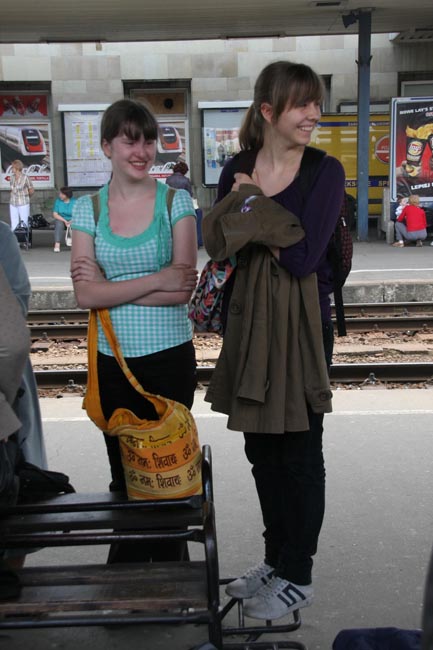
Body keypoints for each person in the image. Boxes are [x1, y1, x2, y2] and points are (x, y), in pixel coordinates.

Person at [205, 60, 345, 621]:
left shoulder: (324, 171)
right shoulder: (237, 168)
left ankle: (298, 575)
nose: (314, 113)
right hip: (248, 322)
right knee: (260, 450)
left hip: (304, 328)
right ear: (268, 111)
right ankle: (274, 560)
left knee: (300, 453)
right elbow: (222, 244)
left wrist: (253, 206)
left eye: (316, 102)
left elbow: (304, 256)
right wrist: (261, 219)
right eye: (302, 104)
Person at [70, 98, 198, 561]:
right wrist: (157, 279)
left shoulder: (175, 203)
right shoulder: (88, 209)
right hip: (113, 362)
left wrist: (110, 288)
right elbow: (84, 295)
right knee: (125, 477)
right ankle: (128, 572)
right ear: (107, 146)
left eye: (148, 141)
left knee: (168, 471)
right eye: (129, 141)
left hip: (170, 360)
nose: (141, 151)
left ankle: (171, 571)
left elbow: (183, 287)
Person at [9, 159, 34, 232]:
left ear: (17, 167)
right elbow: (12, 189)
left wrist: (26, 197)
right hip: (13, 202)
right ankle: (14, 237)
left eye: (12, 167)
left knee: (24, 221)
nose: (11, 169)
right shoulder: (12, 177)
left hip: (23, 202)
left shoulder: (25, 177)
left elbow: (31, 190)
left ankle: (24, 237)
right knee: (14, 222)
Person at [52, 187, 76, 252]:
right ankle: (57, 244)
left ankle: (75, 244)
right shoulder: (58, 201)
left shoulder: (74, 201)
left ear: (67, 194)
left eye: (62, 194)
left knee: (76, 225)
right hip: (61, 219)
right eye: (60, 193)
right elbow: (55, 214)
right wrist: (65, 221)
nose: (60, 195)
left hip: (73, 219)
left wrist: (71, 221)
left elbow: (78, 214)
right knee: (59, 224)